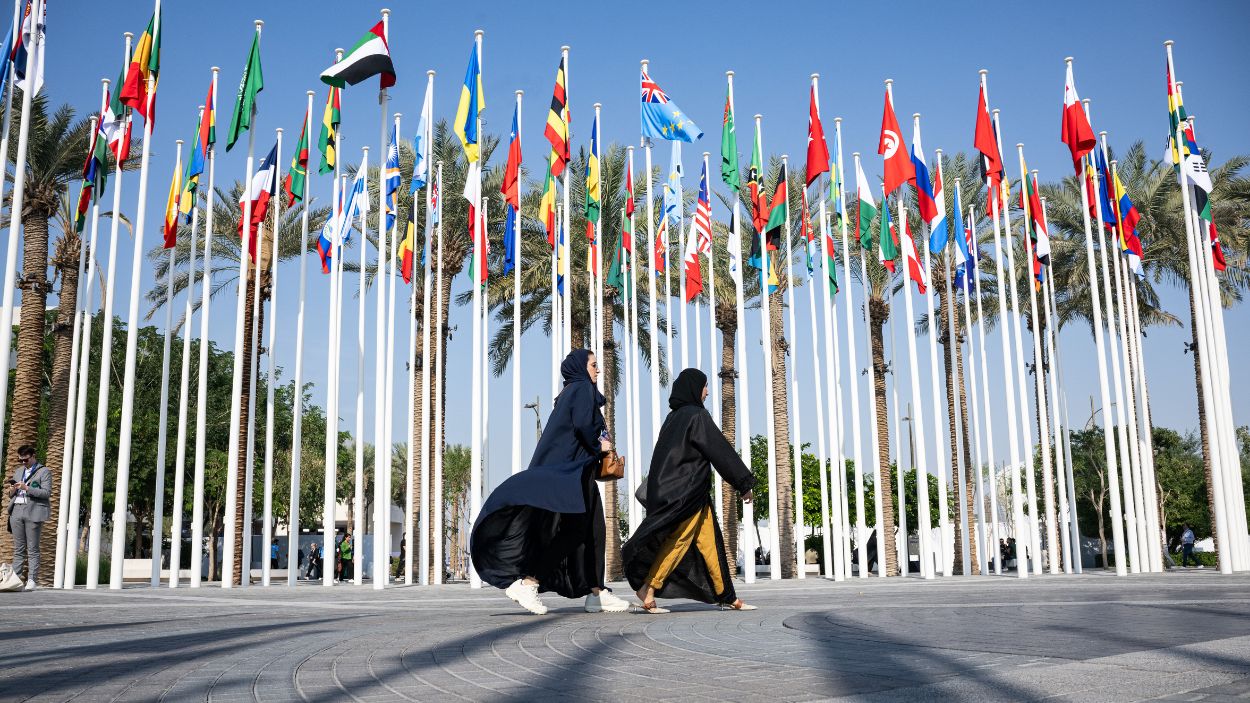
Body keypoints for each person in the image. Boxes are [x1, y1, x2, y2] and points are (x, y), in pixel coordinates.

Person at [470, 349, 630, 615]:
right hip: (570, 476)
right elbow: (583, 425)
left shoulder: (572, 392)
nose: (597, 370)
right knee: (576, 532)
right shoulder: (580, 389)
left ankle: (596, 592)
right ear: (580, 368)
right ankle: (528, 582)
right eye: (593, 365)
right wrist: (600, 444)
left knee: (592, 532)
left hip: (579, 474)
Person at [622, 369, 757, 613]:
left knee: (710, 545)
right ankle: (649, 591)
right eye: (705, 386)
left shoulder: (672, 418)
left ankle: (728, 596)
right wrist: (743, 482)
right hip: (686, 493)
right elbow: (719, 450)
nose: (707, 392)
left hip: (685, 493)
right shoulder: (697, 416)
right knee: (679, 541)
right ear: (695, 388)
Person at [7, 445, 52, 591]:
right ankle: (15, 580)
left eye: (25, 460)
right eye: (20, 460)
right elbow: (11, 495)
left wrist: (27, 488)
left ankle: (32, 579)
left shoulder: (44, 471)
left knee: (33, 548)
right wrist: (12, 490)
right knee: (18, 549)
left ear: (33, 456)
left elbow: (46, 493)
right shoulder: (19, 471)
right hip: (17, 511)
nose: (23, 463)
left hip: (33, 511)